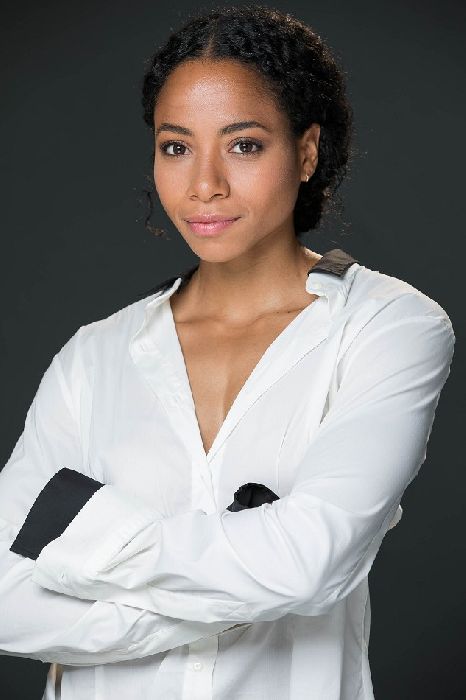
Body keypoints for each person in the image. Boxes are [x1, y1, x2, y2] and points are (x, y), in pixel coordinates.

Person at [0, 5, 455, 700]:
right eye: (175, 147)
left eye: (243, 145)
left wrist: (83, 544)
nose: (204, 184)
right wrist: (236, 596)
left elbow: (308, 563)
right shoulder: (93, 357)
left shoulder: (388, 326)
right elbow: (5, 596)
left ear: (307, 152)